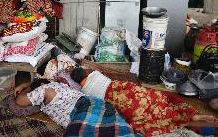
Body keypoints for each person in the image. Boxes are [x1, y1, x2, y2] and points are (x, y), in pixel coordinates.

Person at [70, 67, 218, 137]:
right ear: (85, 73)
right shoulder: (95, 75)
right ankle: (195, 117)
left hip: (126, 105)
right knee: (163, 102)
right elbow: (92, 70)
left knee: (159, 117)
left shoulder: (86, 91)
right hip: (134, 91)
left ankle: (195, 121)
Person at [14, 78, 141, 137]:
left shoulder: (44, 90)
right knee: (114, 127)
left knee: (80, 132)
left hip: (85, 107)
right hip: (99, 104)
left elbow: (20, 101)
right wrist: (27, 83)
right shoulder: (56, 84)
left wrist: (26, 88)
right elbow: (39, 80)